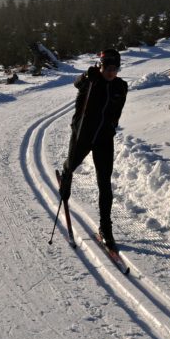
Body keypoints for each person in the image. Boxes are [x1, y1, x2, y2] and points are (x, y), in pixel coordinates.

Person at [59, 49, 128, 249]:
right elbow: (77, 84)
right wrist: (86, 76)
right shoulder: (90, 81)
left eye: (115, 69)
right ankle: (66, 174)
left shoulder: (120, 87)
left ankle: (106, 228)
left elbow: (116, 111)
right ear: (101, 66)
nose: (111, 72)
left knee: (105, 183)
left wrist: (112, 128)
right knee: (72, 166)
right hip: (83, 135)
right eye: (108, 68)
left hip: (104, 139)